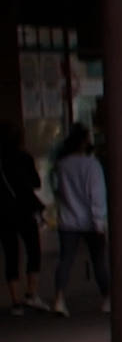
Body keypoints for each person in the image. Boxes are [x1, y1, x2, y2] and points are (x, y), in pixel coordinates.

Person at [48, 124, 109, 317]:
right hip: (91, 220)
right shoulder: (91, 165)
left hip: (68, 220)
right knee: (98, 260)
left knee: (65, 260)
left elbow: (56, 191)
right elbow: (96, 195)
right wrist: (99, 221)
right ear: (84, 142)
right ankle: (107, 297)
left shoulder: (61, 165)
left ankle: (59, 298)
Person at [1, 123, 48, 315]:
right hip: (25, 211)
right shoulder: (24, 157)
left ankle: (15, 301)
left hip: (3, 213)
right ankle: (31, 293)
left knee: (11, 255)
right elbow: (36, 183)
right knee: (33, 251)